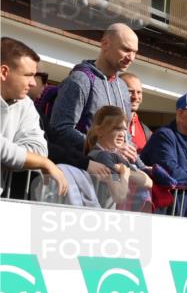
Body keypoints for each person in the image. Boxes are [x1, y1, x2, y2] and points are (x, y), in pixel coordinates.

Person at [47, 23, 138, 171]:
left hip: (114, 175)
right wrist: (105, 148)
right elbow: (60, 129)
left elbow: (126, 138)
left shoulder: (122, 87)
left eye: (135, 52)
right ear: (105, 44)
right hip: (82, 170)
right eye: (126, 49)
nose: (131, 57)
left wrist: (144, 167)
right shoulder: (80, 80)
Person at [1, 37, 67, 196]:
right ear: (4, 72)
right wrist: (43, 163)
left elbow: (39, 150)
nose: (33, 83)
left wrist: (13, 158)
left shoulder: (26, 104)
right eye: (28, 75)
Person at [142, 92, 187, 214]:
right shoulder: (164, 136)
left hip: (184, 216)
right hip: (160, 217)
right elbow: (170, 171)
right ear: (180, 114)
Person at [84, 106, 152, 209]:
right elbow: (119, 196)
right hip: (101, 215)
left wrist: (126, 172)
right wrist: (124, 173)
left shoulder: (114, 156)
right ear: (99, 130)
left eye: (124, 129)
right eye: (116, 128)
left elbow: (148, 181)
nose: (122, 134)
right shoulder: (102, 156)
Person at [119, 72, 152, 153]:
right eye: (130, 91)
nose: (136, 97)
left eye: (139, 92)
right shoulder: (106, 124)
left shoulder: (147, 133)